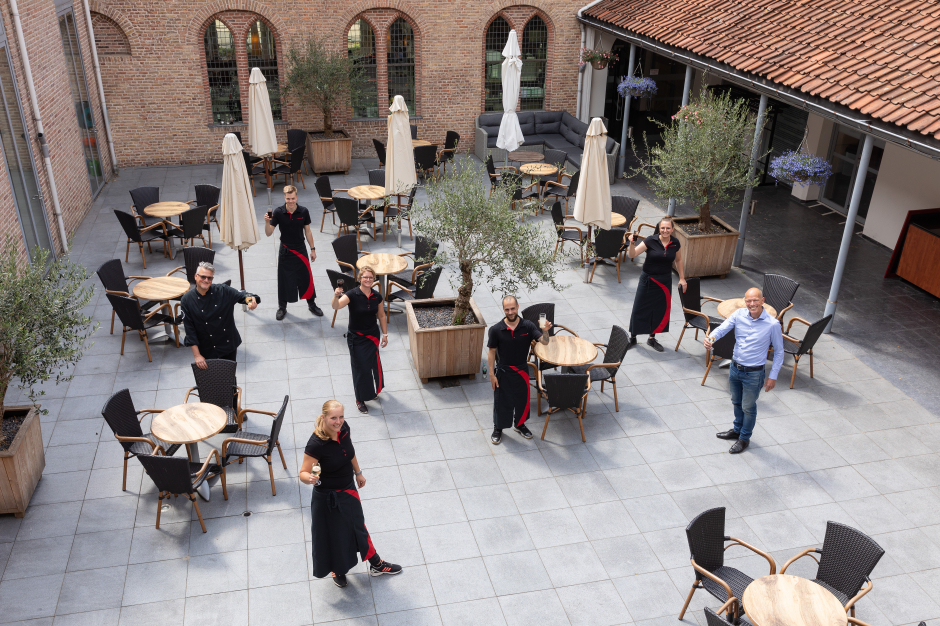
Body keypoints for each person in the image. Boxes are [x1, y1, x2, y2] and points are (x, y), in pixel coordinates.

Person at [299, 400, 402, 588]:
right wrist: (310, 478)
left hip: (348, 489)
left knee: (358, 527)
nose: (338, 422)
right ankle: (337, 570)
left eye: (341, 417)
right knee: (334, 534)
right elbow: (303, 473)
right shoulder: (316, 444)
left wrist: (358, 472)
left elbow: (349, 452)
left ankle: (376, 564)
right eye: (333, 418)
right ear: (324, 418)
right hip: (327, 499)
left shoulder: (344, 429)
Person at [704, 287, 783, 454]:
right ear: (745, 301)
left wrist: (773, 376)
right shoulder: (739, 314)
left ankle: (744, 438)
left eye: (755, 300)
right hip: (735, 368)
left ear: (762, 301)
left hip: (754, 374)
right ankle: (737, 430)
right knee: (736, 402)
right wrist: (711, 338)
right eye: (749, 300)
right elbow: (722, 328)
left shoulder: (772, 324)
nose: (752, 304)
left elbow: (779, 352)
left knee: (748, 407)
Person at [487, 295, 551, 445]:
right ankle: (498, 428)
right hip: (503, 372)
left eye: (512, 308)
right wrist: (491, 375)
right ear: (503, 309)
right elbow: (491, 352)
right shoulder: (496, 329)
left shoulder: (527, 326)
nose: (510, 312)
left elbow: (544, 342)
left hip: (522, 370)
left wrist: (545, 331)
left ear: (517, 307)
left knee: (522, 401)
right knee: (501, 403)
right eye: (507, 309)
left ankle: (520, 425)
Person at [625, 216, 687, 352]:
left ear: (672, 229)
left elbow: (678, 260)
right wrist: (632, 244)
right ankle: (633, 337)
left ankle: (651, 338)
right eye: (662, 228)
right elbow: (632, 255)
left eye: (668, 228)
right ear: (659, 228)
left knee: (659, 310)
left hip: (664, 281)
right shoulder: (650, 241)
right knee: (639, 308)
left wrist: (682, 278)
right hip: (648, 280)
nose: (665, 230)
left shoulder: (675, 243)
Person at [181, 261, 260, 368]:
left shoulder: (223, 291)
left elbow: (242, 296)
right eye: (203, 277)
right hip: (206, 347)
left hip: (227, 344)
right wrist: (197, 355)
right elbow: (189, 330)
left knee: (229, 375)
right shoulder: (187, 300)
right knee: (210, 376)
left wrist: (251, 300)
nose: (206, 280)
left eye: (209, 278)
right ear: (195, 276)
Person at [331, 266, 388, 414]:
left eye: (370, 277)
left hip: (372, 336)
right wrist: (336, 296)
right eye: (365, 277)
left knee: (371, 365)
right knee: (360, 368)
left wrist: (385, 334)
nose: (368, 279)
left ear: (374, 279)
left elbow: (381, 315)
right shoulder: (352, 294)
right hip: (356, 338)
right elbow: (336, 306)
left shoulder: (377, 296)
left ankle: (371, 392)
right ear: (360, 278)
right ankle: (359, 399)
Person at [264, 185, 323, 321]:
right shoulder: (278, 212)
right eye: (288, 198)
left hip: (300, 249)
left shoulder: (304, 211)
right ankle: (282, 307)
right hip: (285, 250)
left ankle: (312, 304)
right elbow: (268, 233)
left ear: (296, 197)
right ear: (284, 198)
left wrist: (313, 249)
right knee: (284, 279)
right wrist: (267, 222)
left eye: (293, 198)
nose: (290, 201)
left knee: (306, 277)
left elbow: (308, 231)